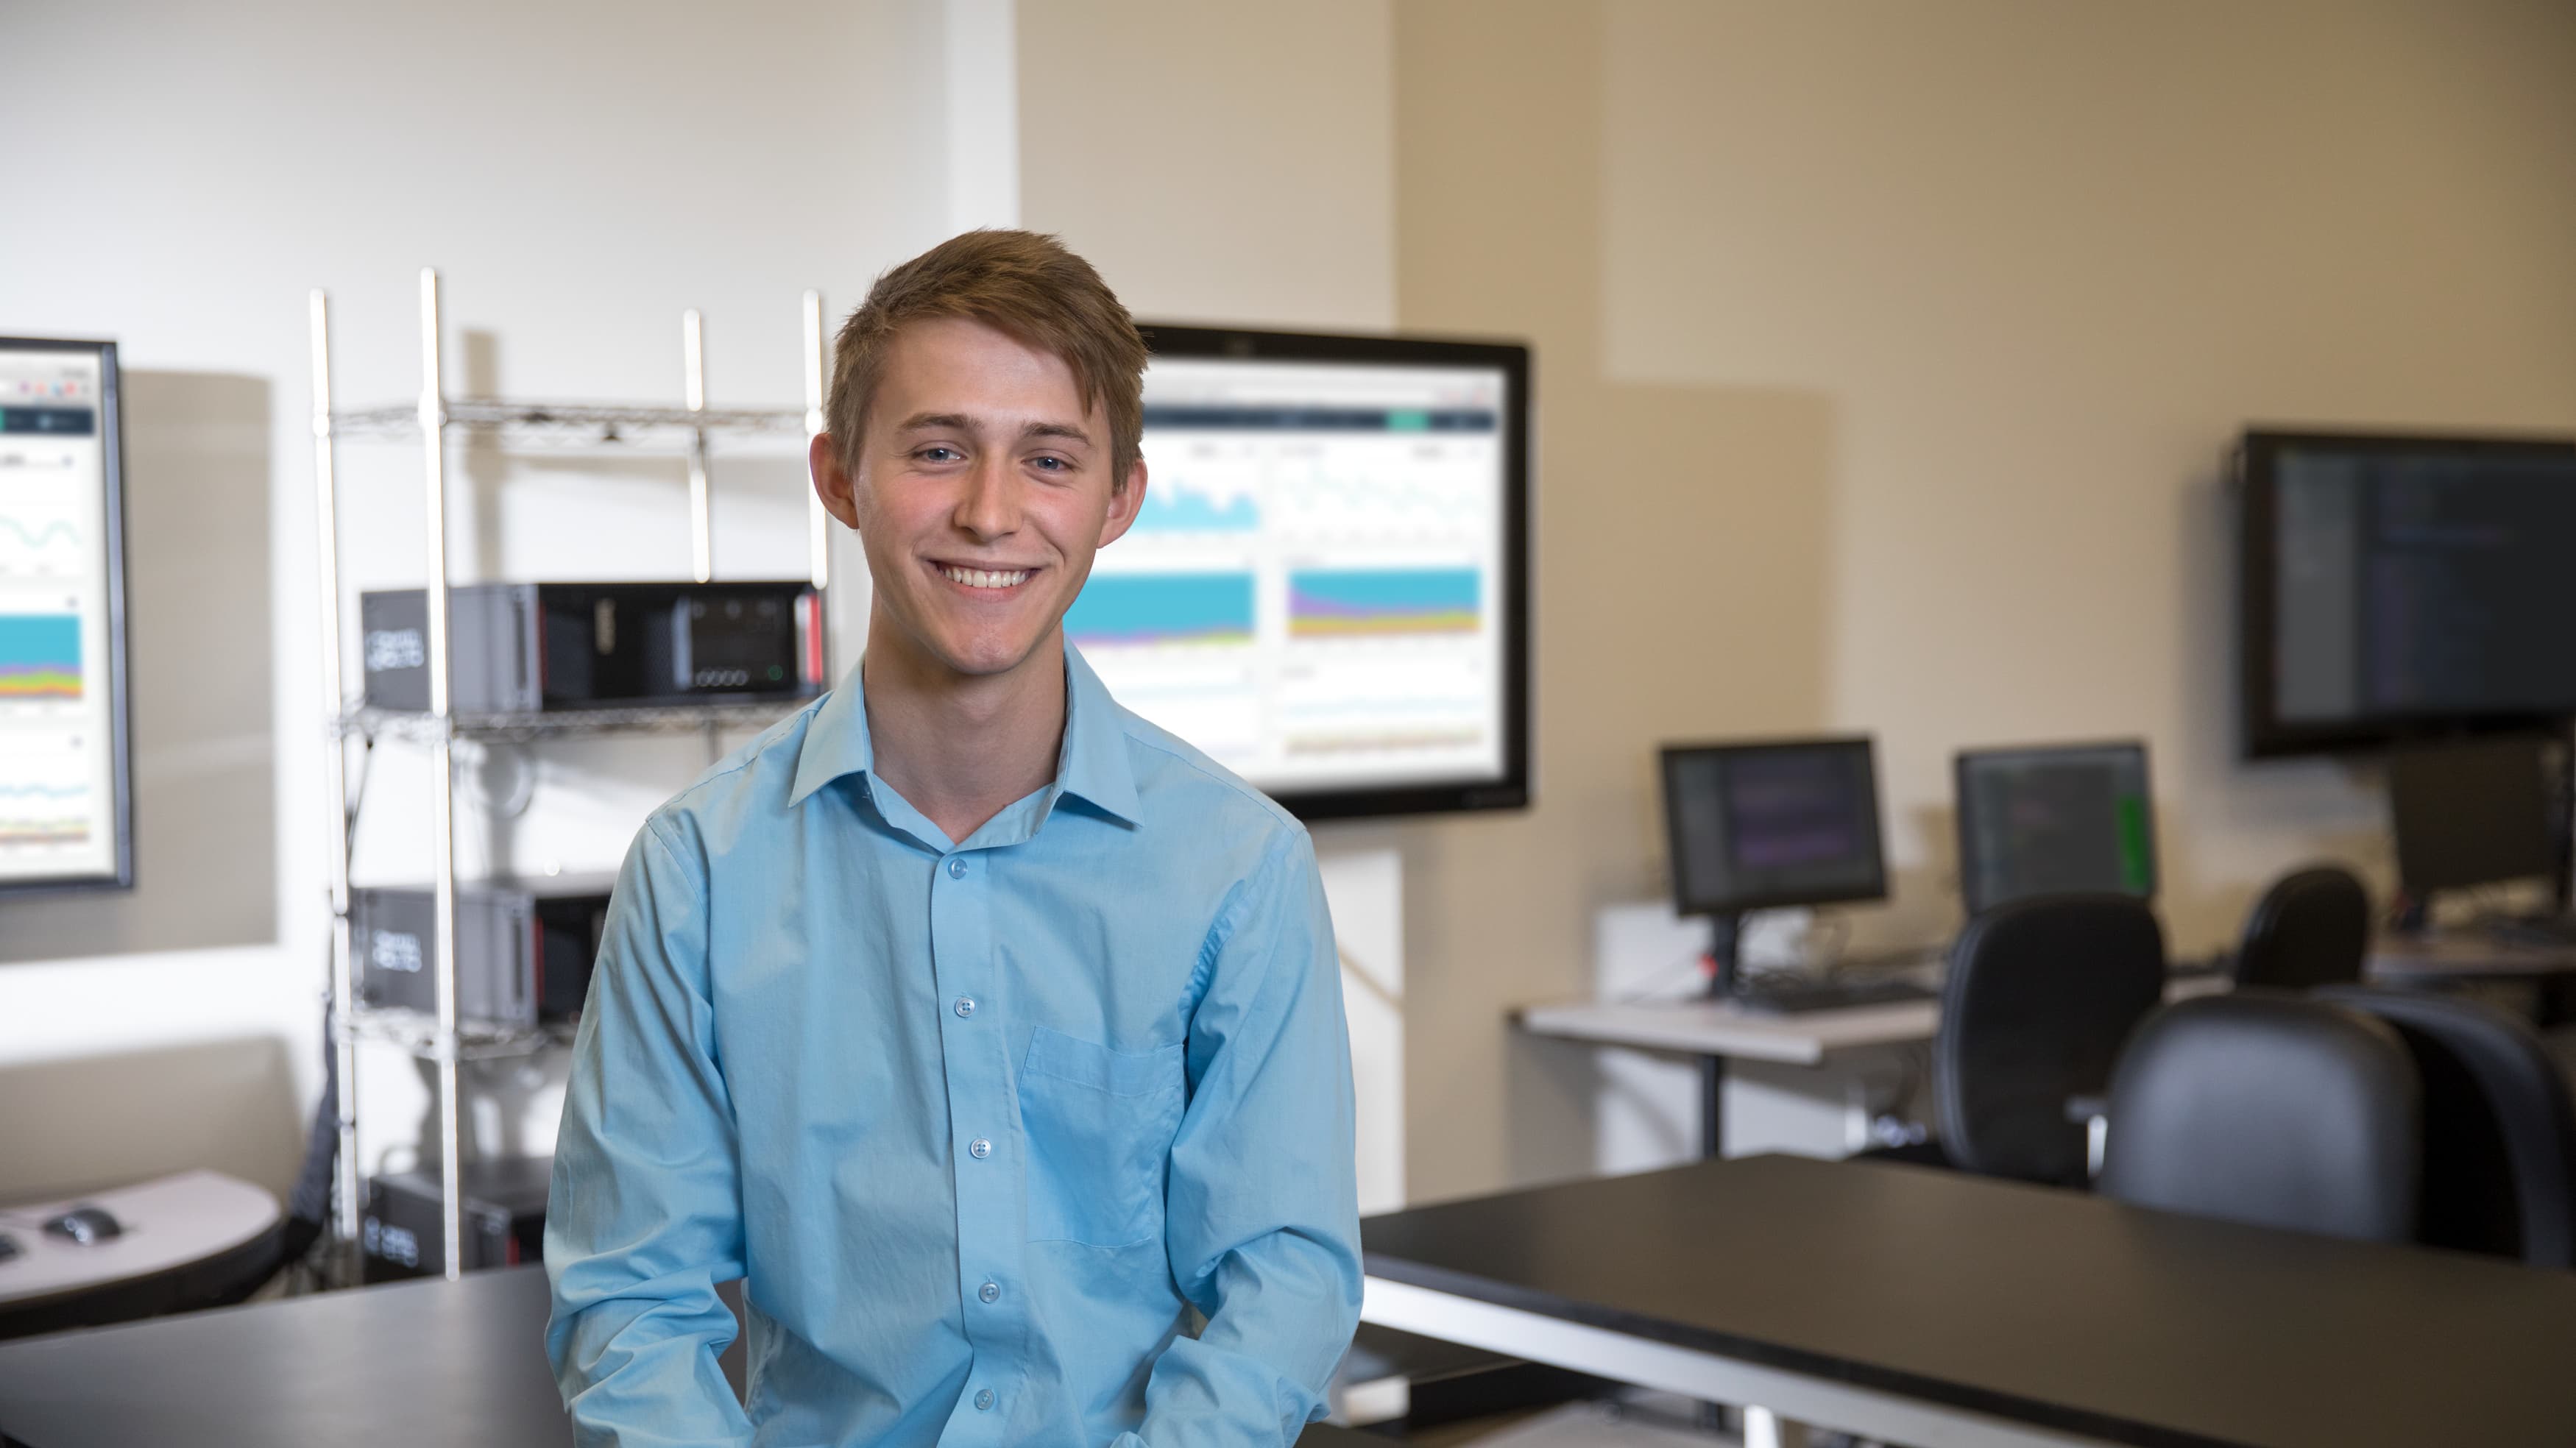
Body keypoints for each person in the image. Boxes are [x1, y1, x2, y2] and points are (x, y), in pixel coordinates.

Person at [544, 230, 1362, 1447]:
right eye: (938, 451)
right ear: (840, 479)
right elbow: (631, 1304)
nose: (991, 514)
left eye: (1049, 459)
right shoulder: (700, 872)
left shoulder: (1239, 869)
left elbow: (1282, 1278)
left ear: (1118, 499)